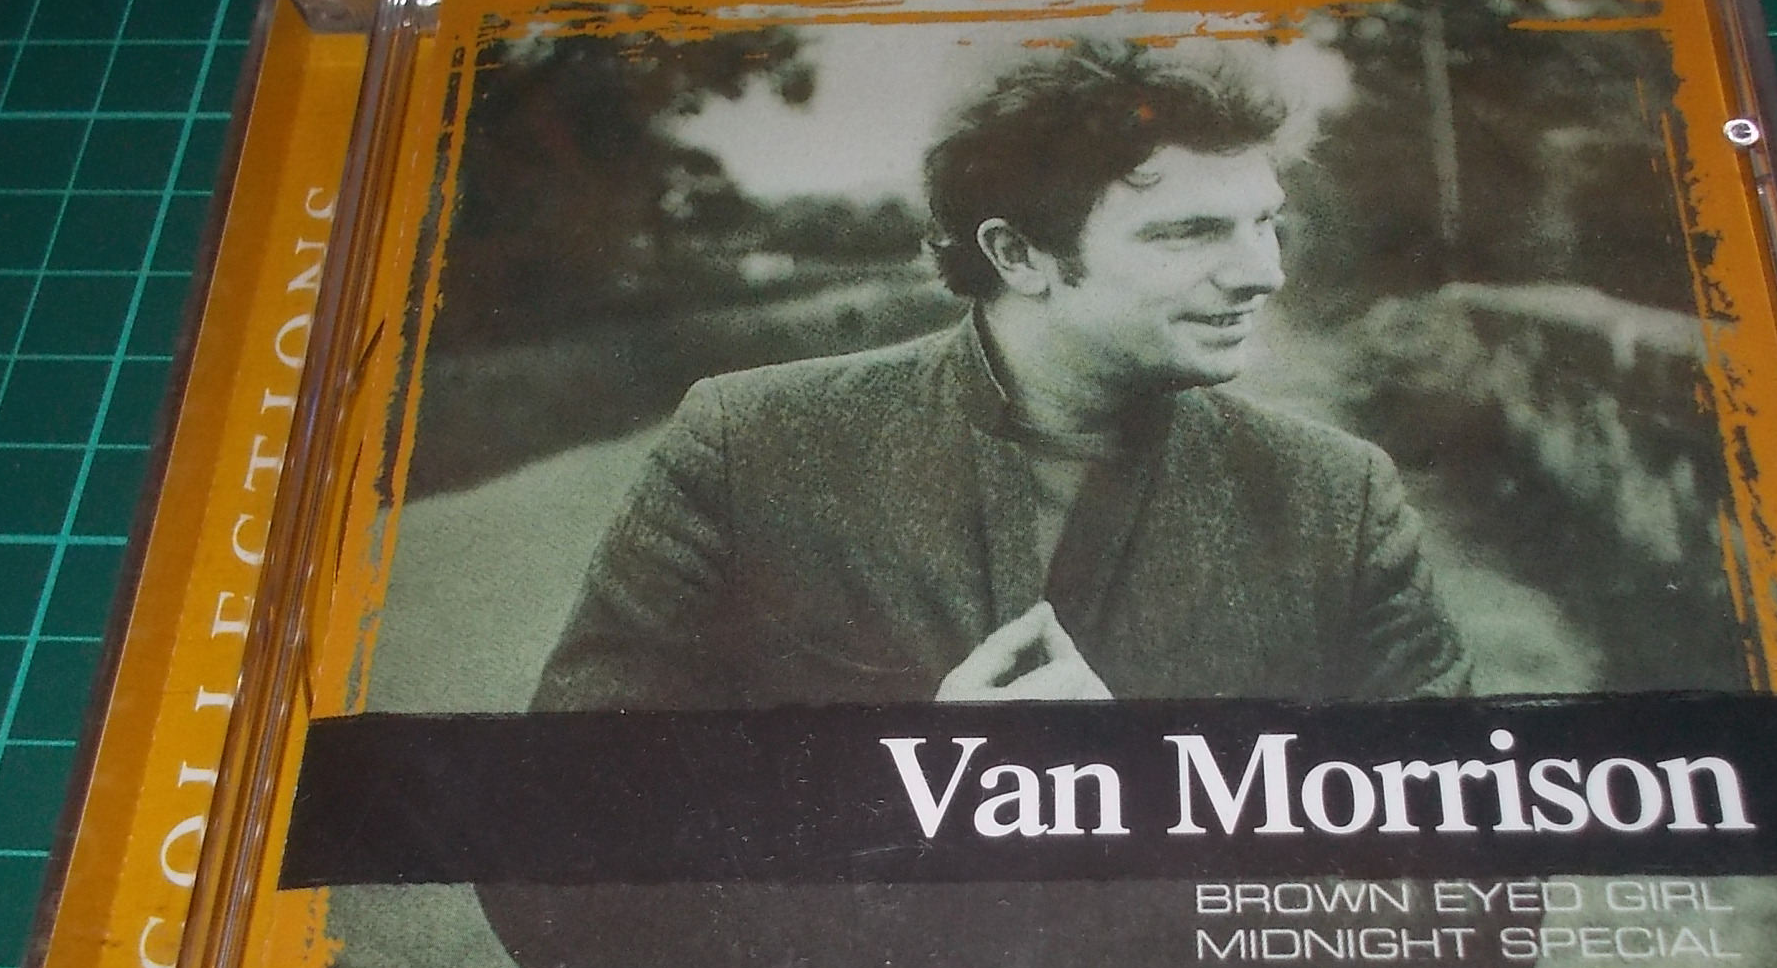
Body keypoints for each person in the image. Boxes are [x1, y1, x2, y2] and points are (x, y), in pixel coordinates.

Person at [533, 39, 1467, 715]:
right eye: (1191, 232)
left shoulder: (1336, 499)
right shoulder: (751, 447)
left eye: (1265, 222)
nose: (1264, 273)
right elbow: (554, 859)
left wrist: (1143, 801)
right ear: (1019, 255)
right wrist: (912, 804)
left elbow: (1467, 898)